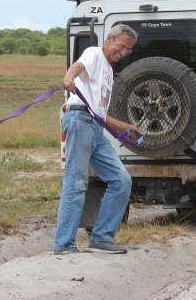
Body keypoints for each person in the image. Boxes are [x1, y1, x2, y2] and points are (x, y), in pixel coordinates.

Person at [53, 24, 143, 255]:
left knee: (121, 180)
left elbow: (99, 112)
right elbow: (77, 67)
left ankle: (101, 239)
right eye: (120, 46)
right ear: (109, 39)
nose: (122, 53)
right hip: (79, 120)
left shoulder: (109, 71)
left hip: (94, 127)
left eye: (127, 50)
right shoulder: (94, 53)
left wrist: (125, 128)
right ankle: (64, 245)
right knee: (76, 182)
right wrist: (68, 77)